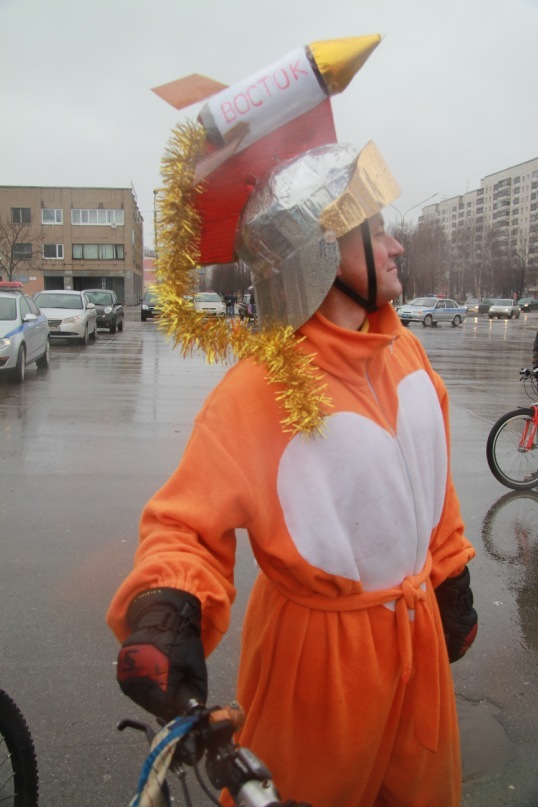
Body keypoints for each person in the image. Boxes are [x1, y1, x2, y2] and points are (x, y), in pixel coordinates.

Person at [107, 141, 477, 807]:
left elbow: (433, 486)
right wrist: (166, 610)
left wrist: (450, 576)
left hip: (417, 649)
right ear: (320, 253)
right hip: (319, 671)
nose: (396, 247)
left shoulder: (408, 354)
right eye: (377, 231)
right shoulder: (262, 387)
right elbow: (185, 525)